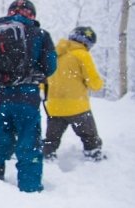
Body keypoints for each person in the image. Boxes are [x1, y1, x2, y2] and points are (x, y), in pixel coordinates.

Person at [0, 0, 56, 192]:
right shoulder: (40, 34)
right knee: (29, 141)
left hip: (0, 96)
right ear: (32, 15)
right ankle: (30, 188)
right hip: (27, 95)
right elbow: (50, 67)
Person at [43, 26, 105, 161]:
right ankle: (93, 156)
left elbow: (43, 84)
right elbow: (93, 83)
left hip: (54, 108)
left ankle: (47, 158)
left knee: (51, 139)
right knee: (89, 137)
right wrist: (99, 84)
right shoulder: (82, 54)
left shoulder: (55, 55)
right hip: (78, 108)